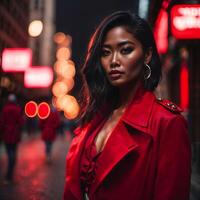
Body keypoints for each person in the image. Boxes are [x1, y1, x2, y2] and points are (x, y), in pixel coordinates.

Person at [63, 11, 191, 200]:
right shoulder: (95, 118)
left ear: (146, 55)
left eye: (126, 50)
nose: (114, 61)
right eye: (106, 53)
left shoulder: (167, 123)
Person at [0, 94, 24, 182]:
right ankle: (11, 169)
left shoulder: (5, 109)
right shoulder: (17, 109)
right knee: (13, 152)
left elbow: (2, 122)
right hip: (15, 134)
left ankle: (9, 172)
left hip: (7, 134)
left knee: (9, 151)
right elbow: (21, 122)